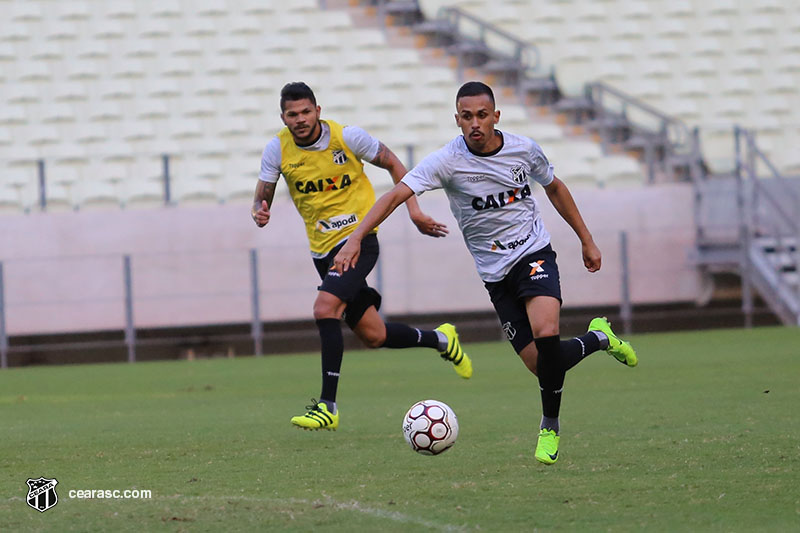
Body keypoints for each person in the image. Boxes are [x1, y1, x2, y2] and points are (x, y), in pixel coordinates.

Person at [333, 81, 637, 464]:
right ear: (456, 119)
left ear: (496, 116)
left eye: (482, 115)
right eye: (466, 116)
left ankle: (549, 426)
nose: (475, 123)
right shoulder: (447, 161)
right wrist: (357, 237)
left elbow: (555, 188)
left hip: (533, 252)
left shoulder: (523, 150)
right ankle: (599, 338)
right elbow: (396, 194)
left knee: (546, 333)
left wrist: (586, 239)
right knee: (541, 365)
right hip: (495, 274)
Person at [252, 82, 473, 431]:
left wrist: (414, 211)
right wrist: (258, 210)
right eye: (292, 114)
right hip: (322, 251)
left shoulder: (348, 138)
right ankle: (442, 339)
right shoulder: (276, 150)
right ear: (283, 117)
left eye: (306, 112)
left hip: (359, 240)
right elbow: (263, 192)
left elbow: (395, 164)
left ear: (318, 111)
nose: (300, 119)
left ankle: (327, 406)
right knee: (374, 335)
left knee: (325, 308)